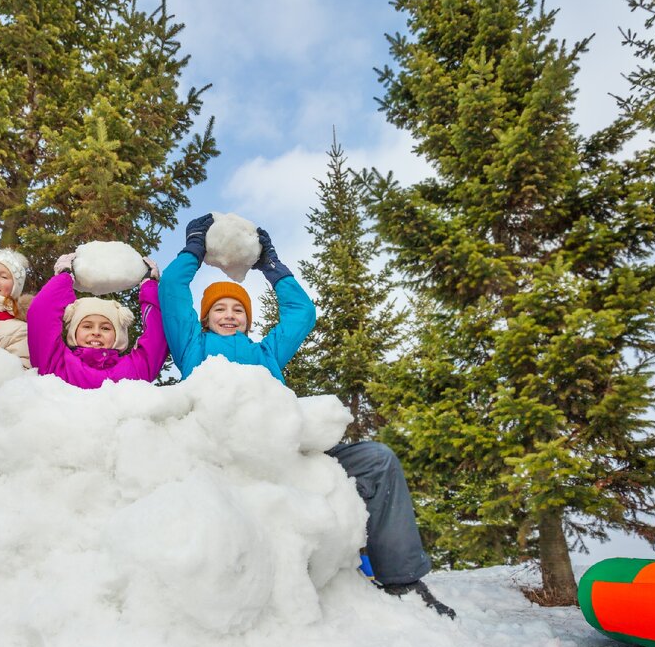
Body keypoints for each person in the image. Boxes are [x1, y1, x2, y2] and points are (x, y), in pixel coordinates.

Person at [159, 214, 455, 619]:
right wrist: (194, 247)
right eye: (219, 309)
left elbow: (302, 313)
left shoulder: (268, 354)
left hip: (286, 461)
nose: (228, 315)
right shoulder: (192, 347)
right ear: (205, 317)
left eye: (237, 310)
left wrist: (271, 266)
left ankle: (403, 580)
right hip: (223, 467)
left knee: (378, 460)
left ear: (248, 319)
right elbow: (172, 289)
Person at [26, 252, 169, 389]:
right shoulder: (56, 363)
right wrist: (64, 277)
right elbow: (41, 313)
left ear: (118, 335)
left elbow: (156, 337)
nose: (96, 332)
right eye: (87, 326)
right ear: (74, 331)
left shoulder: (135, 369)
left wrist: (149, 285)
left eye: (106, 328)